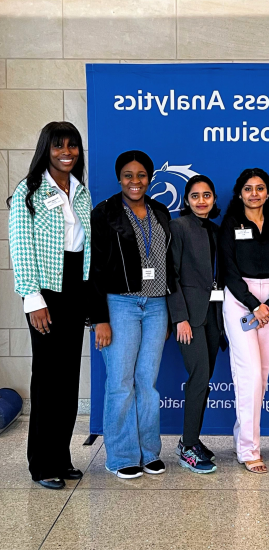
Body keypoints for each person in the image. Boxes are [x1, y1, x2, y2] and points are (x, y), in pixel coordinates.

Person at [8, 121, 91, 489]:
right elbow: (21, 247)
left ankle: (61, 455)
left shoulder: (81, 191)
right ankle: (41, 464)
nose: (67, 152)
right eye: (59, 146)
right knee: (47, 378)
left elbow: (85, 248)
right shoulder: (29, 190)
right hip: (45, 289)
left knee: (68, 377)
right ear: (47, 149)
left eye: (72, 146)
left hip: (75, 286)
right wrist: (33, 297)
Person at [89, 150, 176, 479]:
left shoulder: (160, 211)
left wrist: (168, 310)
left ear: (150, 178)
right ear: (119, 178)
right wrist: (100, 319)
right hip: (120, 304)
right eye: (128, 175)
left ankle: (149, 452)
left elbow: (168, 264)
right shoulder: (105, 212)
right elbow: (94, 269)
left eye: (141, 175)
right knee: (121, 383)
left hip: (156, 306)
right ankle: (122, 456)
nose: (135, 181)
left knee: (147, 384)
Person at [219, 168, 269, 474]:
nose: (254, 193)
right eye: (248, 188)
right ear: (239, 193)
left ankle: (241, 437)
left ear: (268, 192)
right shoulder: (231, 224)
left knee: (260, 376)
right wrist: (254, 305)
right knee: (249, 374)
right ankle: (249, 449)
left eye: (260, 188)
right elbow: (228, 270)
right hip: (239, 301)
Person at [168, 175, 224, 474]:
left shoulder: (215, 229)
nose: (201, 201)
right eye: (195, 196)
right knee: (199, 376)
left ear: (214, 199)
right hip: (189, 317)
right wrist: (180, 318)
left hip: (214, 315)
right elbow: (171, 275)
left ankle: (193, 439)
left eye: (207, 195)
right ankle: (187, 445)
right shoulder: (179, 227)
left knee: (205, 378)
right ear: (186, 200)